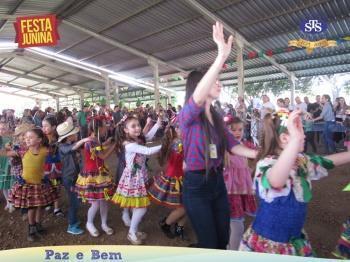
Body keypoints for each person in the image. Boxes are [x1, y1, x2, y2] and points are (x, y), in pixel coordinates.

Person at [178, 21, 256, 249]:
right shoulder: (188, 115)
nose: (219, 84)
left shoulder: (218, 116)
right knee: (211, 243)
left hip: (217, 182)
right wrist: (221, 56)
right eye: (215, 81)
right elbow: (198, 98)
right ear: (199, 86)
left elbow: (234, 146)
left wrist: (263, 153)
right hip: (196, 185)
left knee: (222, 239)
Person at [239, 109, 350, 256]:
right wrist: (296, 140)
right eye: (299, 132)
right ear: (285, 139)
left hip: (294, 241)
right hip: (269, 247)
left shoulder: (300, 161)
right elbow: (276, 181)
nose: (303, 136)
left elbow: (327, 161)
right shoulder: (267, 164)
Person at [111, 116, 162, 245]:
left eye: (138, 124)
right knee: (141, 207)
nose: (138, 128)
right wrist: (166, 144)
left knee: (137, 206)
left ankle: (134, 231)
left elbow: (148, 137)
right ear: (126, 130)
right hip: (134, 178)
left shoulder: (136, 140)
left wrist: (156, 125)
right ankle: (132, 232)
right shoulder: (129, 145)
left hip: (138, 176)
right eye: (133, 126)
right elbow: (148, 150)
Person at [7, 128, 59, 241]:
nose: (27, 139)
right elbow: (6, 153)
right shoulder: (22, 151)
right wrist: (7, 147)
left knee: (40, 206)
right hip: (27, 185)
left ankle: (38, 224)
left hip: (40, 184)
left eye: (30, 137)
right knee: (32, 208)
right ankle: (31, 229)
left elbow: (55, 148)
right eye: (26, 138)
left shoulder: (46, 150)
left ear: (39, 140)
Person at [74, 121, 116, 237]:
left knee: (103, 201)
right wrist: (113, 146)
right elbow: (103, 156)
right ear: (98, 128)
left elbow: (100, 149)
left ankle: (104, 224)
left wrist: (106, 143)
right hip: (92, 176)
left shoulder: (95, 140)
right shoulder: (90, 142)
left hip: (100, 173)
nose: (106, 129)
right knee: (95, 203)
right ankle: (89, 223)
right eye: (104, 127)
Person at [148, 119, 186, 240]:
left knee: (186, 205)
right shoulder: (178, 143)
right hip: (175, 179)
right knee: (185, 206)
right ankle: (166, 223)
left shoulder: (178, 141)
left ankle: (179, 227)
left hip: (180, 177)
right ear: (176, 130)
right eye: (182, 128)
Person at [223, 117, 257, 250]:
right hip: (230, 190)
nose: (238, 132)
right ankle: (232, 251)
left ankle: (230, 247)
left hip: (243, 188)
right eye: (233, 130)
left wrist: (250, 171)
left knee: (235, 223)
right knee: (237, 225)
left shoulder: (247, 144)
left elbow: (259, 155)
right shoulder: (223, 147)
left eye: (240, 129)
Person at [57, 121, 91, 235]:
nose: (77, 135)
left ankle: (74, 220)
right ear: (68, 136)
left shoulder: (71, 145)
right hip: (69, 179)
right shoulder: (62, 147)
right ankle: (71, 225)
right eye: (75, 133)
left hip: (75, 177)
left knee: (76, 200)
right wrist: (84, 139)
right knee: (74, 202)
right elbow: (73, 148)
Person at [42, 116, 64, 217]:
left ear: (54, 127)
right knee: (46, 185)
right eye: (43, 126)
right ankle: (48, 202)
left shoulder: (60, 139)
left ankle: (56, 208)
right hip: (45, 166)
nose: (44, 128)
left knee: (56, 186)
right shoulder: (42, 139)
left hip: (57, 165)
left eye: (46, 126)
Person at [0, 122, 15, 213]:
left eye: (3, 128)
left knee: (9, 183)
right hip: (0, 164)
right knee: (3, 185)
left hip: (8, 163)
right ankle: (7, 202)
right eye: (0, 128)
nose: (2, 130)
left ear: (7, 129)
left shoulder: (9, 139)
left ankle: (11, 202)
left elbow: (12, 150)